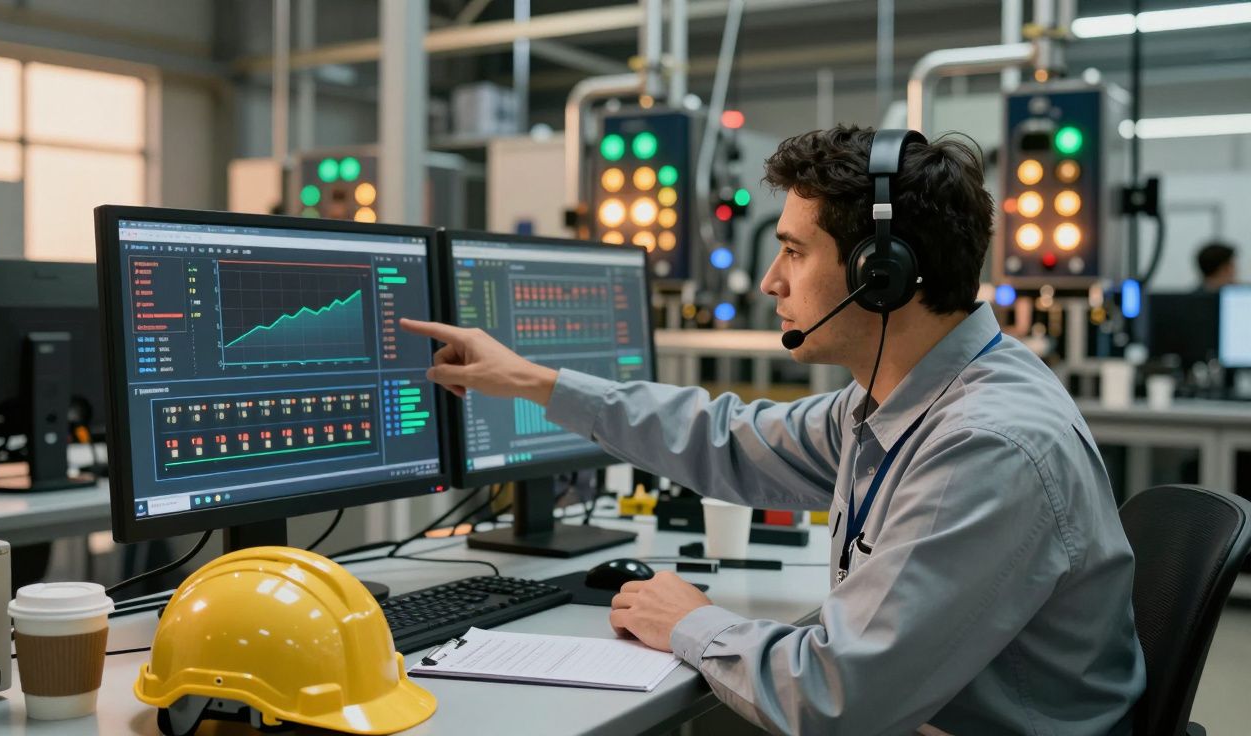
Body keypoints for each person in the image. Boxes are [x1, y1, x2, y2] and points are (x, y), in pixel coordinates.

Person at [402, 125, 1145, 735]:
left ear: (879, 272)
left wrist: (692, 621)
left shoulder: (983, 445)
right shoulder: (908, 395)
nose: (770, 282)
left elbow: (834, 700)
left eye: (793, 250)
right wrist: (535, 383)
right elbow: (729, 439)